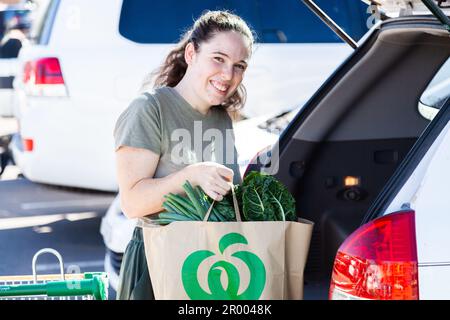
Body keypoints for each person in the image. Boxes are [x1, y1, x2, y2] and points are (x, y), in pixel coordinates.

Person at [113, 10, 255, 300]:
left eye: (239, 65)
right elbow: (132, 202)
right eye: (218, 58)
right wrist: (191, 176)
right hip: (158, 263)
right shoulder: (150, 109)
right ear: (191, 53)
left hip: (211, 263)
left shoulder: (221, 118)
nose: (228, 75)